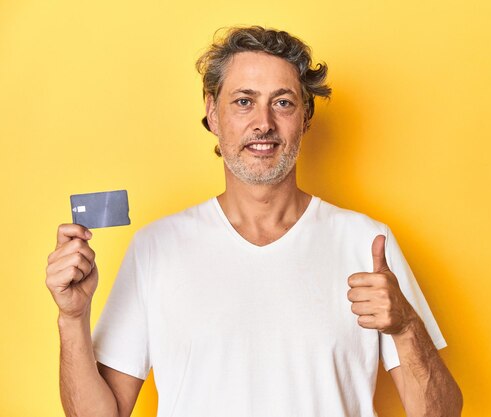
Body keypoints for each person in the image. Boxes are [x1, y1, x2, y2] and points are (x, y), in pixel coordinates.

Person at [46, 26, 462, 417]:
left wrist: (406, 326)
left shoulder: (366, 242)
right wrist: (72, 318)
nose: (263, 122)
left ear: (305, 118)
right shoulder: (155, 246)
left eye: (283, 102)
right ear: (212, 113)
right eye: (244, 101)